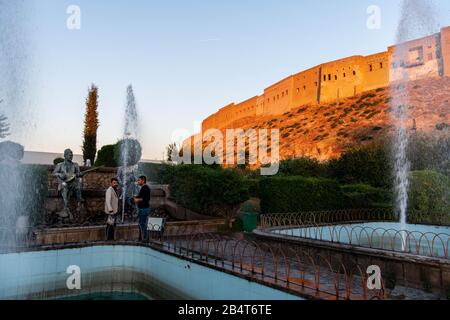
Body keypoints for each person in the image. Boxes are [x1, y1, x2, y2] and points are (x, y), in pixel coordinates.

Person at [52, 149, 84, 217]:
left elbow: (78, 174)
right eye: (69, 155)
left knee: (78, 185)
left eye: (72, 155)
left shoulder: (75, 165)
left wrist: (80, 174)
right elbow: (54, 173)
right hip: (63, 182)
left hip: (73, 182)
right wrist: (60, 175)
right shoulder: (60, 165)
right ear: (65, 155)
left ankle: (79, 204)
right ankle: (66, 207)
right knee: (64, 186)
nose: (71, 157)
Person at [133, 175, 151, 241]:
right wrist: (137, 196)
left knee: (143, 224)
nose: (138, 181)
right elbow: (142, 196)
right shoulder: (143, 188)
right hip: (142, 209)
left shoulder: (146, 188)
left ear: (143, 180)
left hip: (144, 209)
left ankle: (145, 239)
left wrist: (138, 200)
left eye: (139, 180)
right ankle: (141, 238)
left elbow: (146, 199)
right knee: (141, 224)